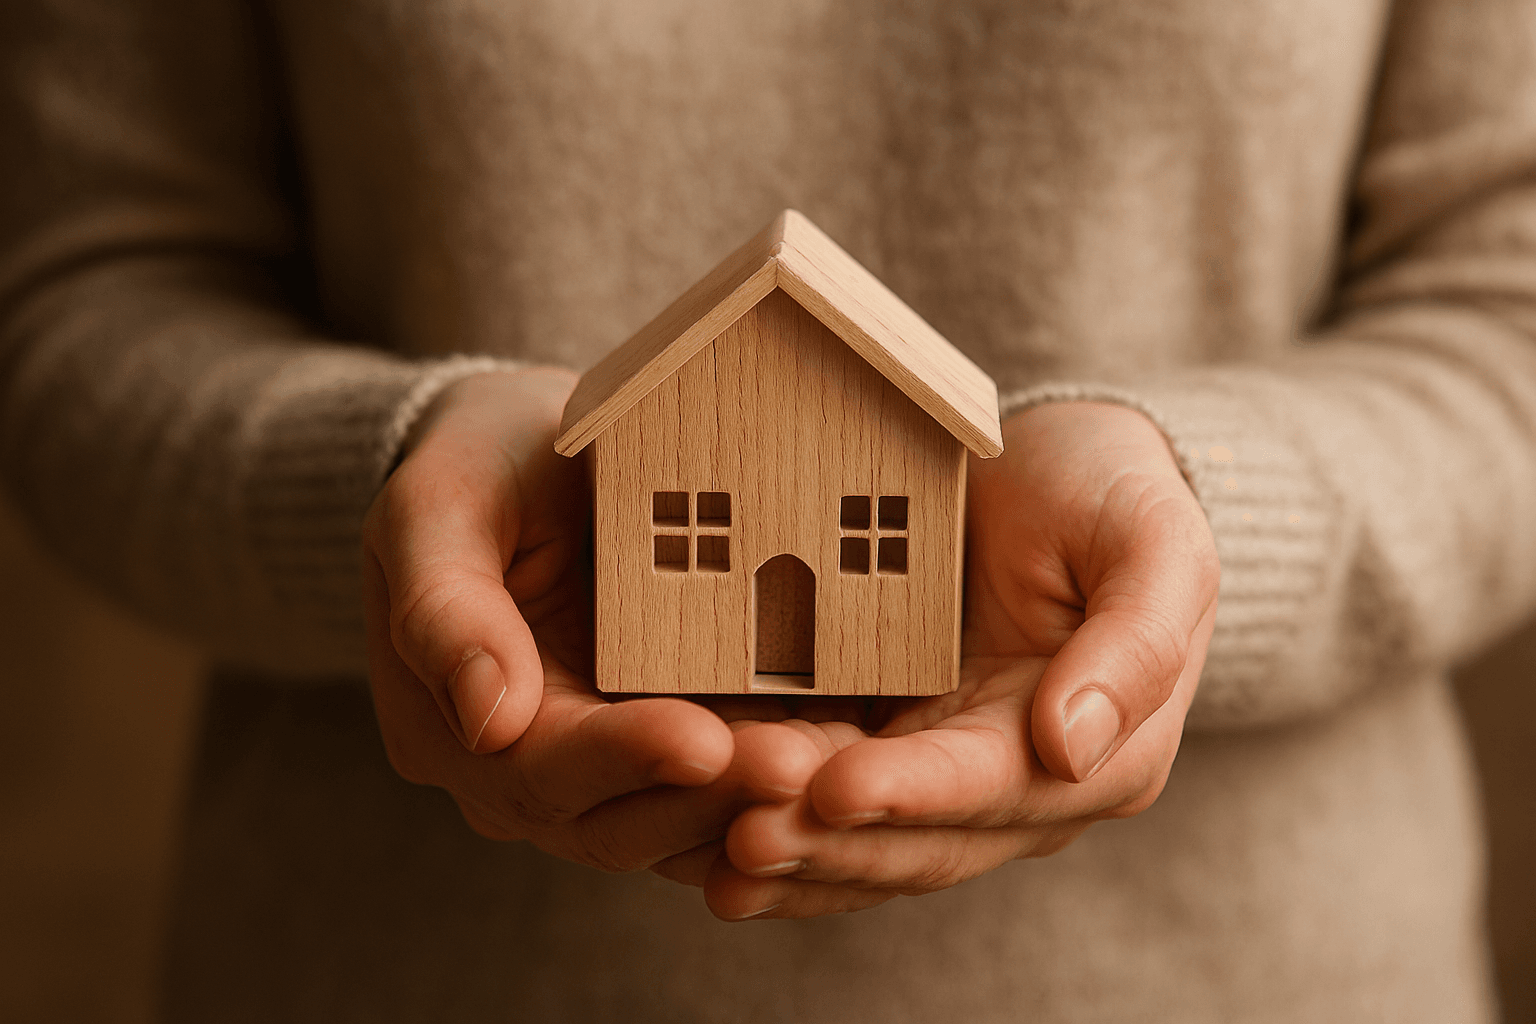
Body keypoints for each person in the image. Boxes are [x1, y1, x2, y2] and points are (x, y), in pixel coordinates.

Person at [1, 0, 1531, 1019]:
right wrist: (385, 479)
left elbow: (1505, 305)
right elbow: (88, 298)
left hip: (1264, 982)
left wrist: (1202, 516)